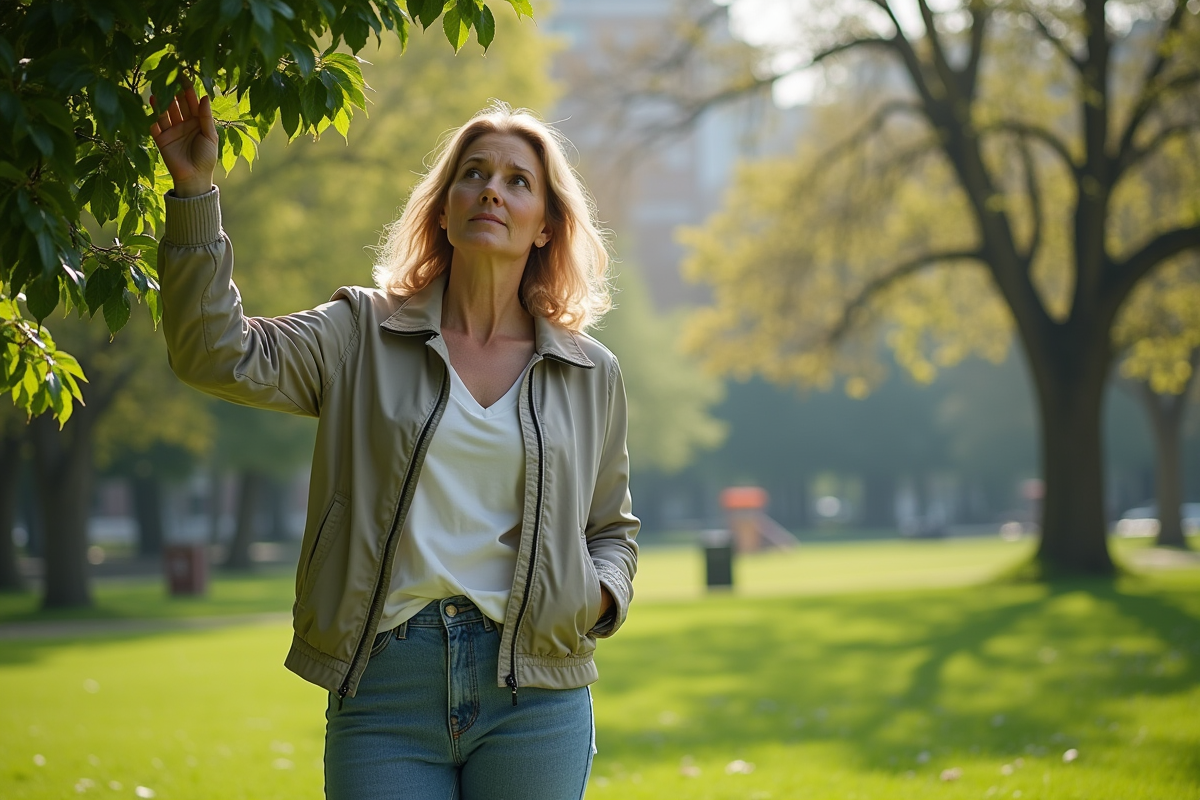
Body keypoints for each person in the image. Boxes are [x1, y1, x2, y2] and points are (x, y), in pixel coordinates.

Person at [150, 88, 639, 800]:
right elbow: (213, 354)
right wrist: (196, 194)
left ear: (544, 225)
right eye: (472, 174)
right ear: (443, 209)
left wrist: (592, 599)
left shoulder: (590, 372)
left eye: (517, 181)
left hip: (534, 695)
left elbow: (611, 529)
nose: (491, 192)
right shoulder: (358, 334)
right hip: (386, 687)